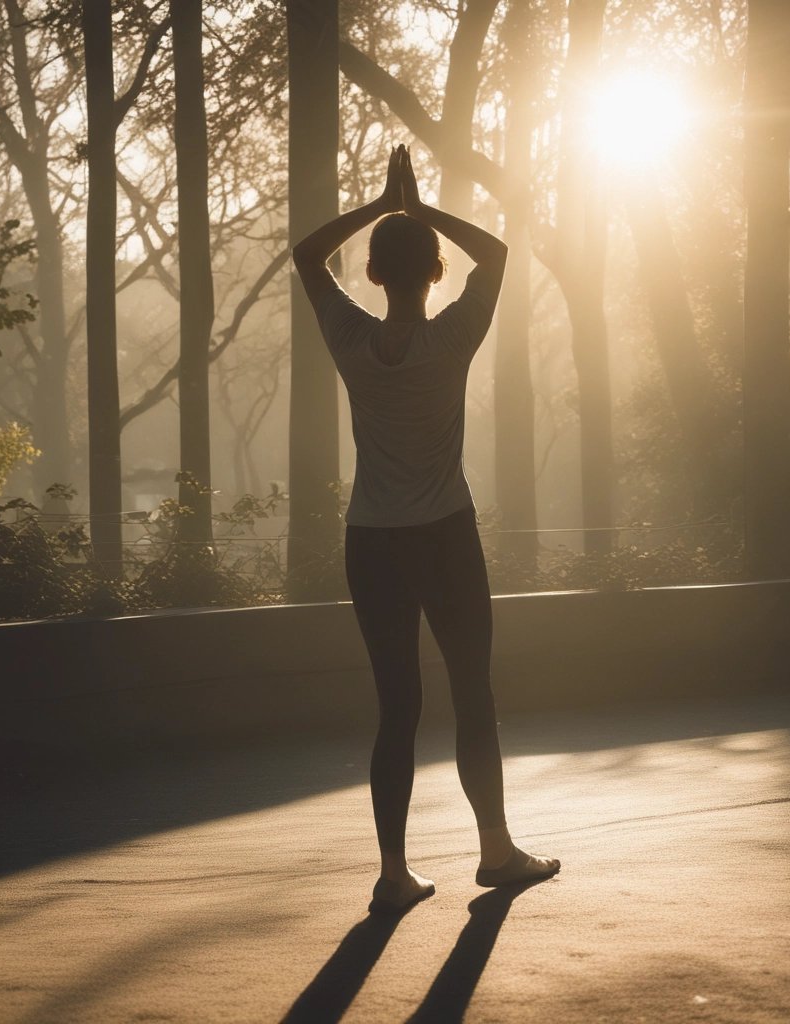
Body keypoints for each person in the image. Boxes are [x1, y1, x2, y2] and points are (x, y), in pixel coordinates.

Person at [292, 144, 560, 914]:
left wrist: (382, 205)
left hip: (370, 540)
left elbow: (308, 255)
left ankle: (393, 872)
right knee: (472, 694)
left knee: (396, 707)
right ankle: (498, 853)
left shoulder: (349, 339)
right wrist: (418, 208)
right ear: (435, 272)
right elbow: (500, 252)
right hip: (444, 534)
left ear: (372, 274)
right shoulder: (451, 339)